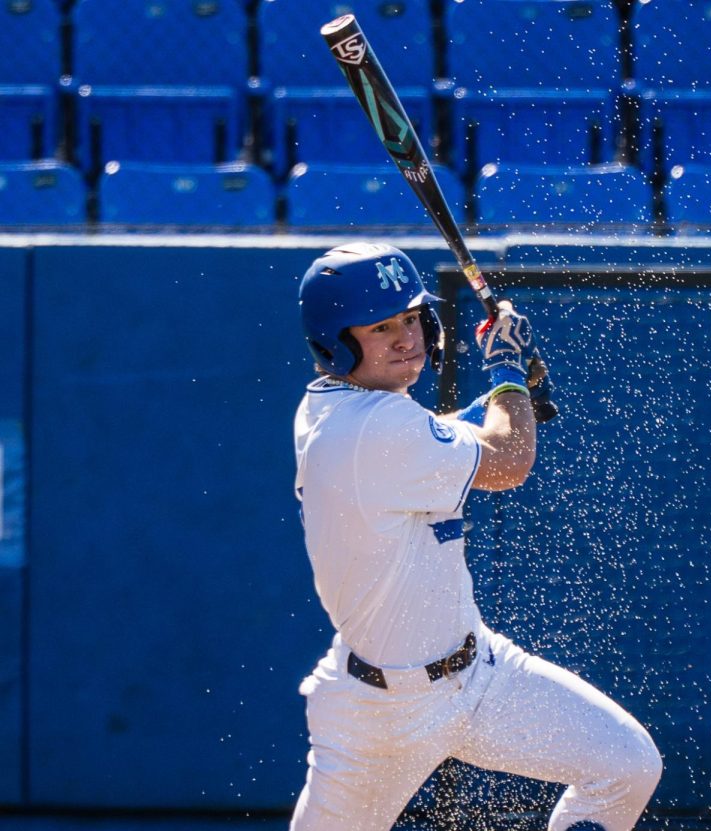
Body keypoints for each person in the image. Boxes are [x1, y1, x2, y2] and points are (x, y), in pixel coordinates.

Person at [289, 242, 661, 831]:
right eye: (381, 327)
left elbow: (433, 435)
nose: (406, 338)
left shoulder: (351, 408)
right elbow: (508, 462)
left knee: (627, 766)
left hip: (479, 674)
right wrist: (508, 373)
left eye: (412, 318)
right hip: (380, 717)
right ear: (337, 341)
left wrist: (502, 399)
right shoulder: (372, 428)